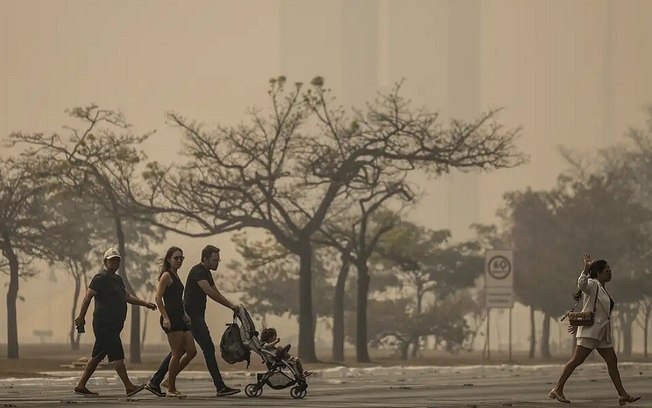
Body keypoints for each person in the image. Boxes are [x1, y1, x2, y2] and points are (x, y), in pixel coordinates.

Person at [146, 245, 241, 397]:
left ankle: (158, 381)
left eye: (181, 258)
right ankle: (219, 387)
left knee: (184, 351)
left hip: (186, 316)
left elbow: (214, 290)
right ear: (205, 259)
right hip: (191, 316)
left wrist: (232, 305)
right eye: (214, 260)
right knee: (205, 348)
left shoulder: (203, 273)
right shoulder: (197, 271)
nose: (217, 263)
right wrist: (230, 305)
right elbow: (209, 292)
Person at [549, 253, 641, 405]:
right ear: (598, 273)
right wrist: (585, 269)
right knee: (576, 360)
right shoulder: (592, 284)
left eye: (609, 269)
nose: (610, 272)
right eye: (607, 270)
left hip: (602, 333)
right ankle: (557, 389)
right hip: (591, 332)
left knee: (612, 360)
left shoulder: (602, 288)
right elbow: (581, 284)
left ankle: (622, 394)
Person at [73, 248, 157, 397]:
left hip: (114, 324)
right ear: (105, 262)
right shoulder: (100, 278)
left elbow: (126, 297)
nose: (115, 263)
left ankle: (81, 385)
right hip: (104, 324)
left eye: (117, 260)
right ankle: (129, 386)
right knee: (117, 355)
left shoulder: (117, 280)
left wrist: (144, 303)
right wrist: (81, 316)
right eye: (112, 260)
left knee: (98, 356)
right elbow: (88, 297)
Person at [152, 246, 197, 398]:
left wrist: (185, 314)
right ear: (169, 259)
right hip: (170, 317)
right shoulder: (166, 275)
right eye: (176, 258)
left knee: (191, 351)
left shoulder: (176, 276)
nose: (179, 261)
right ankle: (171, 388)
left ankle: (168, 380)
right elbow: (158, 298)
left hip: (180, 316)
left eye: (181, 258)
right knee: (177, 353)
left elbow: (179, 300)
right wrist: (165, 317)